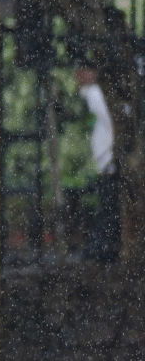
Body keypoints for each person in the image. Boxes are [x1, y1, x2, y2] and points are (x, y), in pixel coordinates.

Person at [76, 66, 120, 263]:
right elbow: (112, 120)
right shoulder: (94, 93)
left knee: (109, 207)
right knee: (109, 207)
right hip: (108, 159)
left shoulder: (98, 92)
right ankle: (101, 252)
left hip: (109, 159)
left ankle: (101, 251)